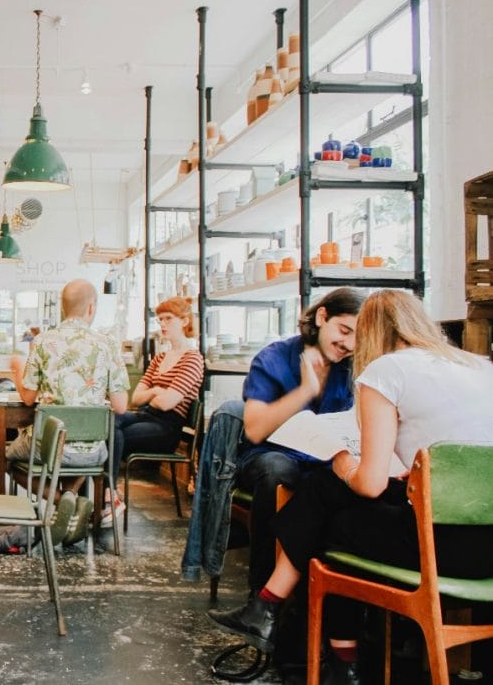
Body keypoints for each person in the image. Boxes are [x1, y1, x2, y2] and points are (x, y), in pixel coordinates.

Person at [210, 290, 493, 684]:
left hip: (440, 547)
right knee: (332, 497)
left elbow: (370, 484)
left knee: (335, 518)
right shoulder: (480, 366)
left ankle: (305, 635)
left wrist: (342, 459)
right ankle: (282, 618)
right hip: (487, 548)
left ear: (372, 333)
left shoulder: (386, 372)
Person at [234, 287, 364, 596]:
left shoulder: (354, 367)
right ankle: (263, 594)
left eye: (357, 337)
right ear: (322, 317)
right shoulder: (274, 358)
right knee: (279, 470)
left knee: (356, 484)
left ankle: (341, 610)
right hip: (271, 457)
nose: (348, 344)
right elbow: (254, 429)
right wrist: (305, 391)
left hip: (327, 463)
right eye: (344, 330)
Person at [7, 279, 130, 540]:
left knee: (9, 457)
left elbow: (28, 398)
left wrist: (17, 371)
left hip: (48, 448)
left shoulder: (42, 342)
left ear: (63, 308)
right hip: (94, 452)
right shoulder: (107, 344)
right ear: (91, 308)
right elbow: (120, 406)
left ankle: (62, 500)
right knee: (80, 452)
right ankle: (71, 497)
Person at [112, 296, 204, 485]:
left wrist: (157, 396)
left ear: (184, 321)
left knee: (112, 436)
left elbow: (167, 403)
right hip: (146, 415)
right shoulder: (160, 358)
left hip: (167, 428)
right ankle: (106, 493)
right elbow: (136, 399)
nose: (162, 324)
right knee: (108, 421)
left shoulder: (193, 359)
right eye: (160, 319)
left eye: (168, 318)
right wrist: (155, 391)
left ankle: (107, 492)